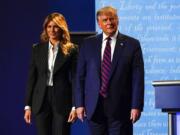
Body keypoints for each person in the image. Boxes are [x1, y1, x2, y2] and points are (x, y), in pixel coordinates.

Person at [75, 6, 144, 135]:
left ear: (117, 20)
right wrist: (79, 104)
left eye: (112, 19)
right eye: (105, 20)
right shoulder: (88, 44)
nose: (109, 23)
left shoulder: (132, 44)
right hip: (94, 108)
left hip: (121, 109)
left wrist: (136, 106)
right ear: (99, 24)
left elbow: (137, 79)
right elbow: (80, 77)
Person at [24, 12, 78, 135]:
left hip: (62, 99)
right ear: (45, 28)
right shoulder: (37, 49)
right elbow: (32, 78)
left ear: (61, 28)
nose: (52, 30)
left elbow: (75, 79)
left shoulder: (72, 49)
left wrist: (75, 106)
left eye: (56, 26)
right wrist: (28, 106)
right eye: (49, 26)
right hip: (41, 100)